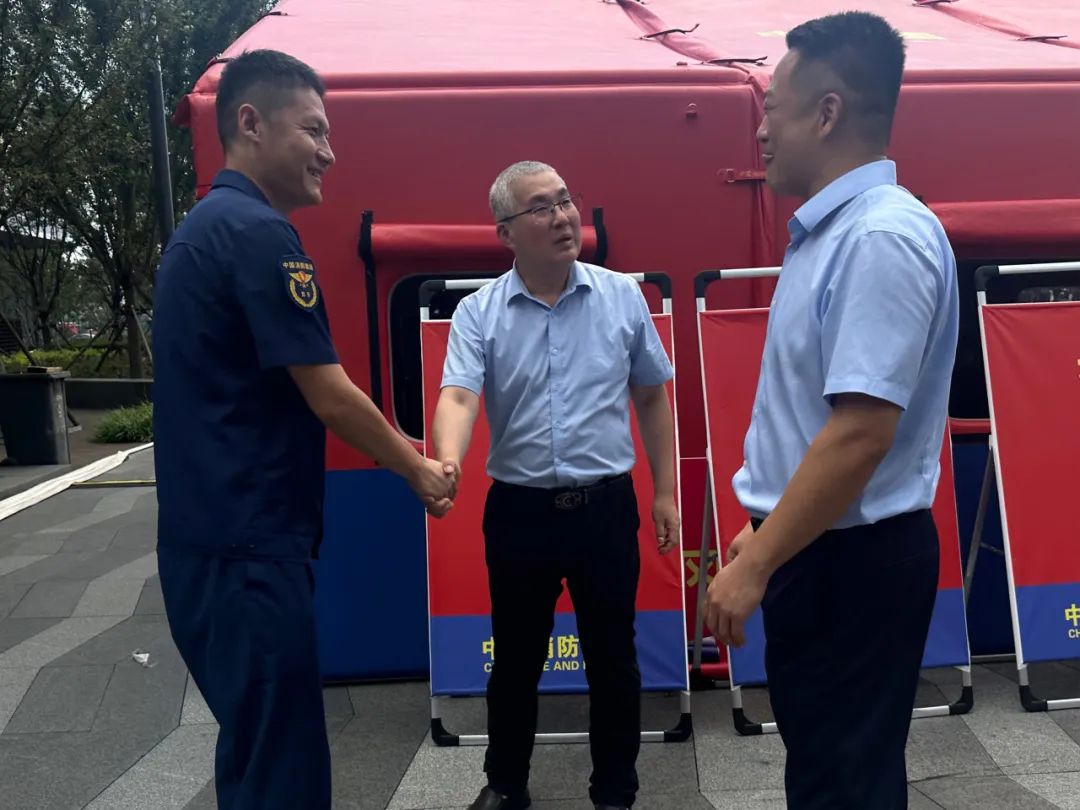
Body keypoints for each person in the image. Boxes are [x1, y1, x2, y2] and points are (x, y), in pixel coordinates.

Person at [152, 49, 456, 810]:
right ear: (250, 123)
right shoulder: (258, 234)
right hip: (249, 551)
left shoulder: (204, 229)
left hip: (212, 546)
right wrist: (419, 468)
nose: (329, 152)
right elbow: (330, 394)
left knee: (256, 751)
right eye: (313, 130)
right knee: (281, 767)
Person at [702, 12, 958, 809]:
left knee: (843, 781)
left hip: (851, 566)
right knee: (828, 769)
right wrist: (768, 531)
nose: (759, 131)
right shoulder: (831, 233)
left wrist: (759, 562)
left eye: (771, 109)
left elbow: (860, 435)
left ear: (828, 112)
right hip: (823, 548)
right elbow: (822, 420)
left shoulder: (879, 238)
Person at [432, 161, 680, 810]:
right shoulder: (478, 313)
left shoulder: (621, 297)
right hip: (520, 514)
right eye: (541, 207)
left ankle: (615, 792)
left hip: (605, 510)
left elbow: (652, 397)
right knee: (515, 660)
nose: (564, 217)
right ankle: (505, 785)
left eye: (566, 201)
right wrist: (447, 462)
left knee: (613, 659)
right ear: (506, 233)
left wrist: (664, 493)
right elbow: (458, 396)